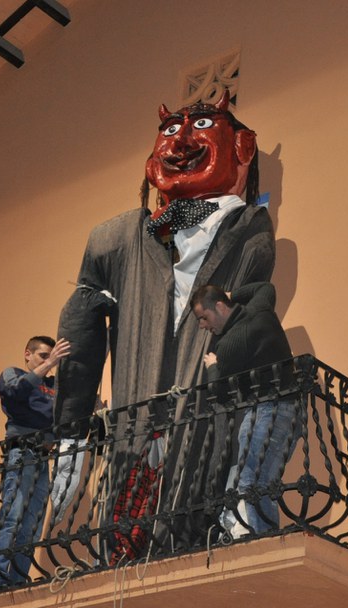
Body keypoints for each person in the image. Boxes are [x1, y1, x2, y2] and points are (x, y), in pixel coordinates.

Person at [54, 89, 275, 551]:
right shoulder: (115, 238)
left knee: (190, 510)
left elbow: (252, 320)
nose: (180, 142)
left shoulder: (251, 230)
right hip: (133, 448)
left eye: (201, 127)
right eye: (170, 131)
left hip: (202, 445)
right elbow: (81, 324)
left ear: (243, 147)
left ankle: (227, 518)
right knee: (129, 530)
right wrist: (72, 435)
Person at [191, 281, 298, 538]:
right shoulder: (260, 308)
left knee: (252, 482)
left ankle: (263, 540)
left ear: (219, 307)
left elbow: (218, 393)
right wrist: (231, 294)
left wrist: (213, 366)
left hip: (266, 412)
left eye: (203, 317)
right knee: (263, 480)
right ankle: (261, 535)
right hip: (293, 410)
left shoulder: (229, 344)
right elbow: (266, 287)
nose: (202, 325)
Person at [0, 335, 70, 586]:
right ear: (28, 354)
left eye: (52, 357)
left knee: (31, 525)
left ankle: (18, 580)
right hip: (22, 452)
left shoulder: (54, 385)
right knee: (13, 515)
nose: (50, 361)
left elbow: (65, 413)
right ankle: (0, 580)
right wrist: (49, 364)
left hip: (42, 458)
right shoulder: (12, 374)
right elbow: (13, 392)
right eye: (43, 356)